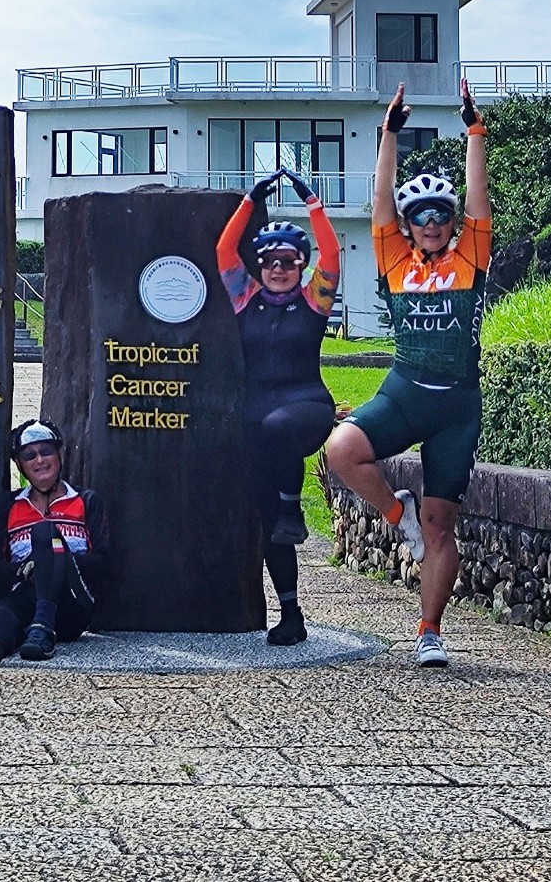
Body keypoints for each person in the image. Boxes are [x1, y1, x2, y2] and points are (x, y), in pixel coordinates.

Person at [323, 80, 490, 667]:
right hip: (405, 388)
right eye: (419, 217)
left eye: (439, 217)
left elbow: (478, 201)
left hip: (456, 406)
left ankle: (429, 631)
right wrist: (389, 134)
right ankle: (398, 515)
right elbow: (379, 204)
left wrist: (474, 132)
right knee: (342, 450)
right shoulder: (395, 256)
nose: (430, 224)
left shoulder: (470, 254)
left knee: (442, 524)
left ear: (450, 222)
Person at [219, 166, 340, 647]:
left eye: (288, 261)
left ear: (300, 264)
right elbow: (225, 251)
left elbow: (331, 253)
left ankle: (294, 503)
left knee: (278, 427)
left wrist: (311, 200)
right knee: (271, 525)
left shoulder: (314, 300)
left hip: (306, 406)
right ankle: (291, 614)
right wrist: (250, 199)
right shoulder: (246, 299)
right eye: (269, 261)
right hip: (257, 417)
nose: (277, 268)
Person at [0, 420, 116, 667]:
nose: (39, 460)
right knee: (6, 610)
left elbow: (105, 561)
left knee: (45, 533)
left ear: (59, 455)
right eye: (29, 455)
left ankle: (43, 627)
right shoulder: (8, 506)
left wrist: (57, 561)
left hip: (72, 605)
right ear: (20, 465)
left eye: (46, 452)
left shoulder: (86, 501)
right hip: (26, 595)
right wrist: (22, 570)